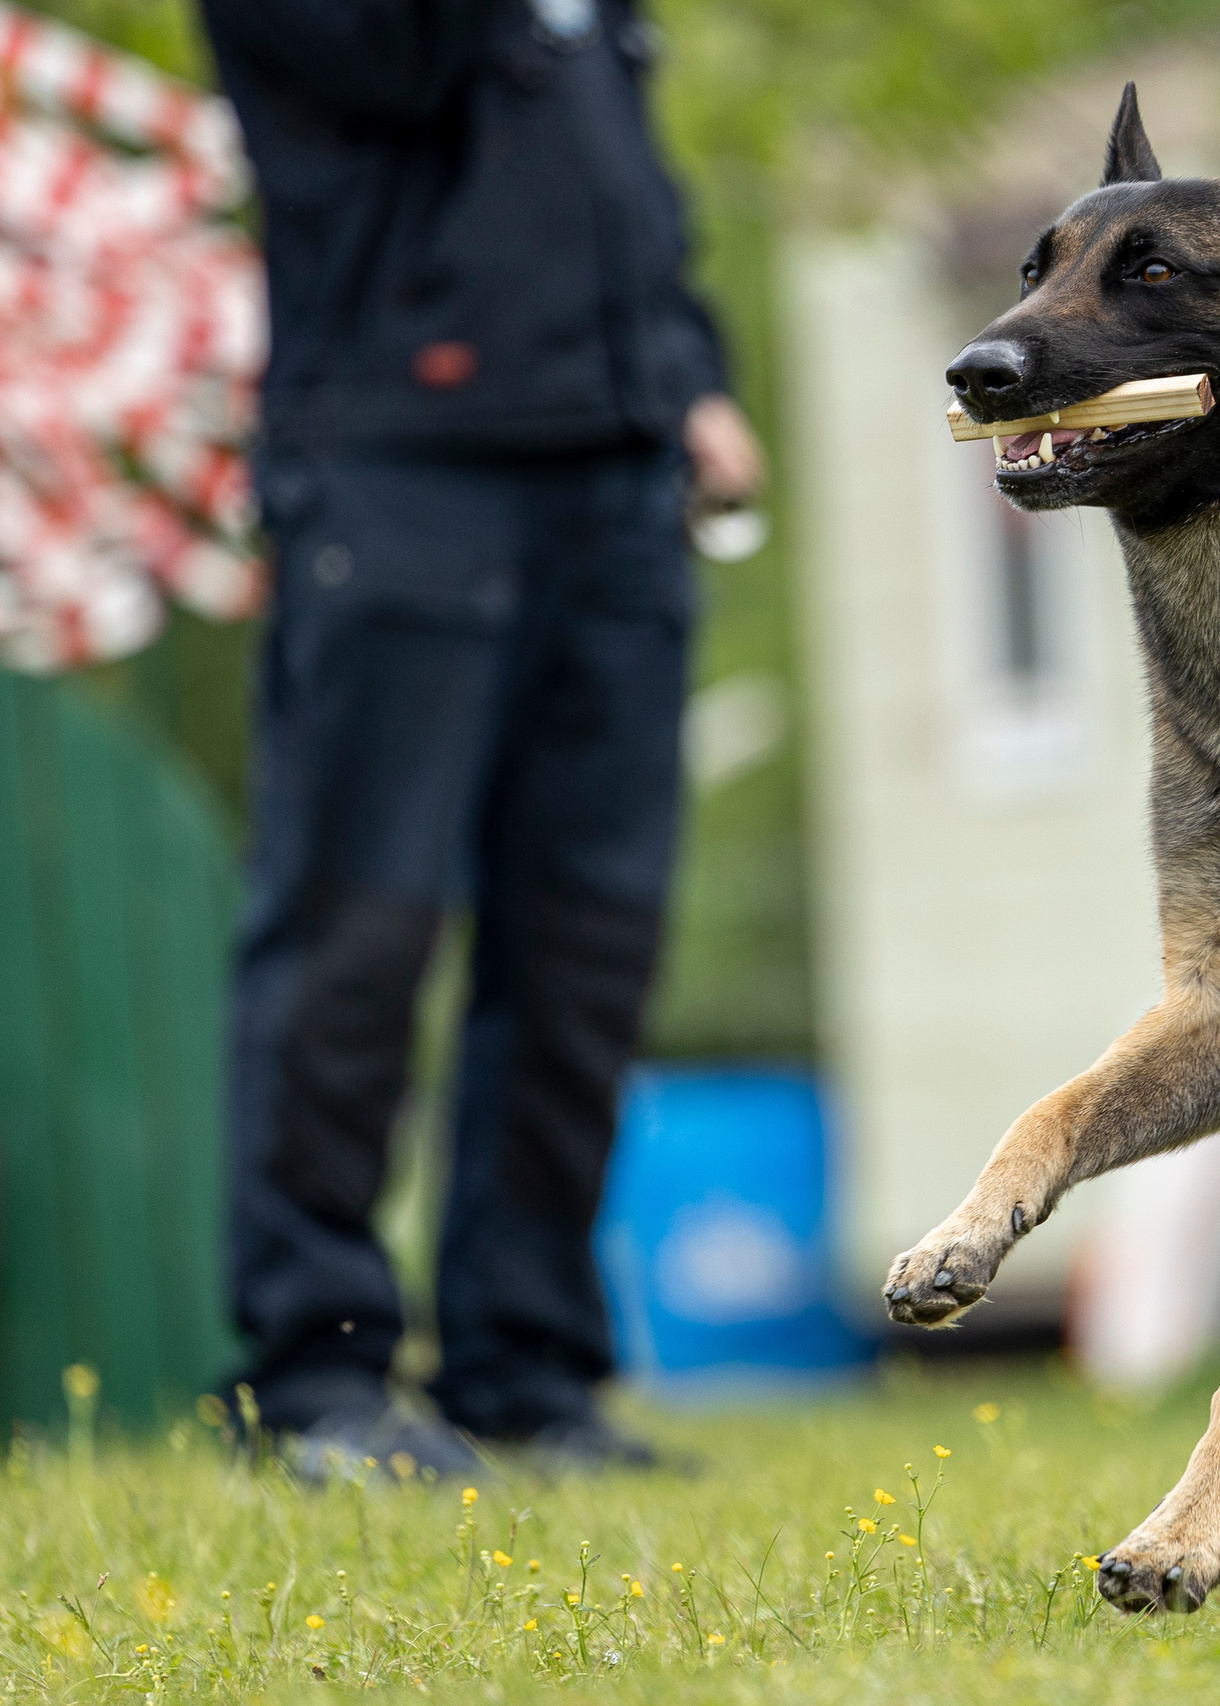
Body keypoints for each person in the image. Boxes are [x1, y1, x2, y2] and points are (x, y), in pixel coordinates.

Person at [200, 0, 765, 1476]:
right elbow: (388, 64)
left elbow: (615, 184)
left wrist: (687, 369)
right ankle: (312, 1380)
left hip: (615, 479)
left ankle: (524, 1369)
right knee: (355, 933)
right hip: (400, 470)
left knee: (584, 948)